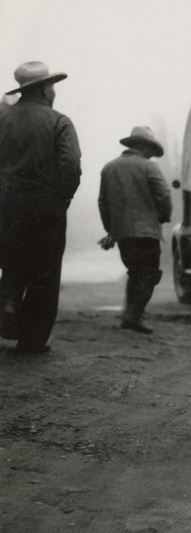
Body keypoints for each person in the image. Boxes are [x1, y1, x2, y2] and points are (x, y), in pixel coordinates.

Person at [0, 61, 82, 354]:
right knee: (43, 275)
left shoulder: (2, 119)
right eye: (52, 86)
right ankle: (31, 340)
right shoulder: (59, 122)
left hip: (6, 209)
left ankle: (7, 307)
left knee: (11, 265)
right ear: (46, 89)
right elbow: (70, 167)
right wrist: (60, 201)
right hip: (45, 210)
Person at [98, 126, 172, 334]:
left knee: (135, 272)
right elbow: (164, 196)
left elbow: (103, 202)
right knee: (149, 275)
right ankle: (132, 317)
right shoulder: (149, 168)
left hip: (123, 235)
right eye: (150, 148)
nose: (151, 154)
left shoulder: (109, 168)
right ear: (141, 145)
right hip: (147, 233)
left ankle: (130, 314)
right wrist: (164, 216)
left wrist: (112, 230)